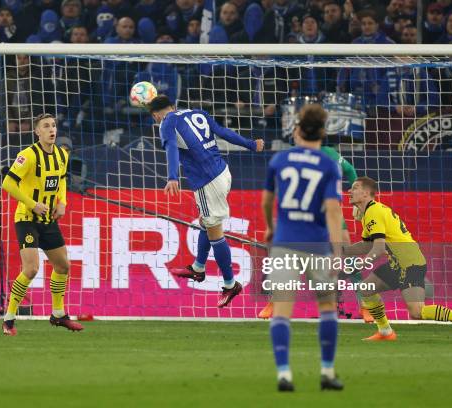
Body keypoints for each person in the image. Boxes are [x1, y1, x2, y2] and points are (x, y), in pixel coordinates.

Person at [147, 95, 264, 308]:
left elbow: (171, 147)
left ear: (156, 114)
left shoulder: (166, 122)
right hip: (223, 172)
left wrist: (173, 176)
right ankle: (198, 268)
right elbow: (223, 132)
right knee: (205, 222)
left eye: (154, 117)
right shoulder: (198, 112)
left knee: (214, 232)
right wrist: (250, 144)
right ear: (173, 105)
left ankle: (230, 284)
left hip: (207, 181)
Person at [262, 104, 344, 392]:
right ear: (323, 133)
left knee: (282, 310)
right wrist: (337, 251)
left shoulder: (280, 160)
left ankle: (284, 374)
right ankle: (327, 371)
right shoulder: (328, 165)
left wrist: (270, 227)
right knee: (327, 307)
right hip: (317, 244)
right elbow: (333, 211)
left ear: (296, 130)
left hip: (285, 243)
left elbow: (266, 201)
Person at [344, 177, 452, 343]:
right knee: (366, 289)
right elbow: (368, 245)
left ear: (366, 193)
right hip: (398, 264)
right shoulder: (370, 213)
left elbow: (379, 248)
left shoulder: (374, 211)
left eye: (355, 188)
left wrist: (362, 263)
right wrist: (343, 250)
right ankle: (385, 331)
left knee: (417, 312)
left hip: (410, 263)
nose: (349, 191)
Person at [258, 144, 374, 324]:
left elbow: (350, 171)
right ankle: (274, 303)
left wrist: (356, 198)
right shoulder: (299, 157)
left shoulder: (328, 153)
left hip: (328, 209)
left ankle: (365, 305)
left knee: (346, 249)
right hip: (308, 212)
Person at [1, 113, 83, 336]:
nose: (51, 129)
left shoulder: (61, 155)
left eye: (53, 125)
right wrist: (32, 203)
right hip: (27, 218)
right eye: (46, 126)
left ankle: (58, 314)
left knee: (63, 266)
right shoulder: (27, 155)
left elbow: (63, 180)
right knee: (31, 269)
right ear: (37, 132)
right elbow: (7, 183)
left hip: (48, 219)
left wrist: (63, 202)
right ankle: (8, 318)